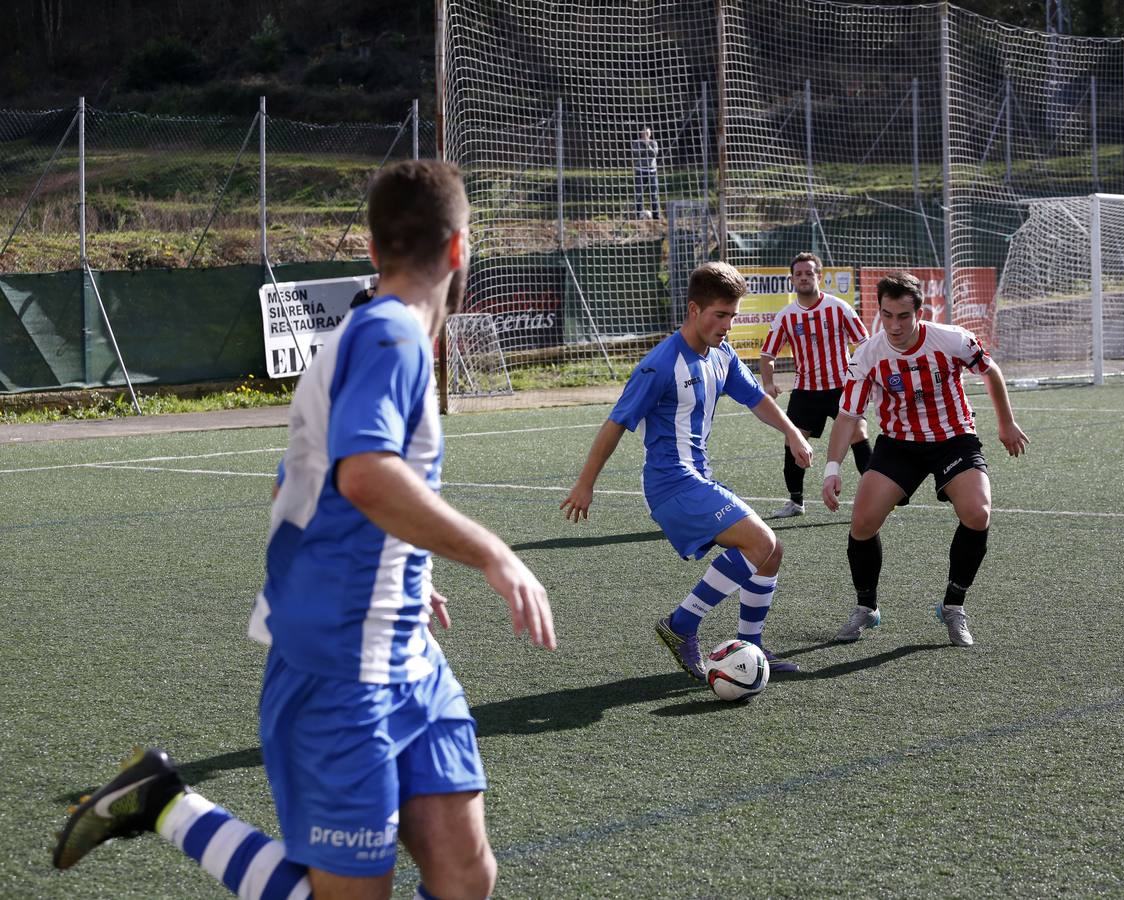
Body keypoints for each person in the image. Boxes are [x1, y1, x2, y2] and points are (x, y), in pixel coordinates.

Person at [53, 160, 557, 900]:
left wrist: (403, 560)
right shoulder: (393, 336)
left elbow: (298, 482)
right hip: (339, 667)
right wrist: (492, 551)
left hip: (403, 650)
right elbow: (364, 475)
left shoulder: (367, 331)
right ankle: (161, 802)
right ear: (459, 251)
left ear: (376, 248)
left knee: (464, 876)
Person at [561, 261, 812, 678]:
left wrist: (791, 432)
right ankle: (681, 625)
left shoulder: (722, 353)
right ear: (694, 310)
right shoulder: (660, 364)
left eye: (733, 316)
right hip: (670, 484)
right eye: (720, 315)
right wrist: (585, 484)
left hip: (697, 478)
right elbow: (615, 423)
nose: (728, 325)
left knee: (771, 553)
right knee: (761, 541)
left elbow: (754, 397)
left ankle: (751, 650)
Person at [822, 272, 1027, 647]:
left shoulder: (951, 340)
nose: (894, 325)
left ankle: (953, 605)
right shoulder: (868, 355)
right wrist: (832, 468)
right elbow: (848, 416)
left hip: (954, 439)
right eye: (887, 315)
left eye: (903, 316)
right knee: (862, 521)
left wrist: (1006, 423)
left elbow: (990, 370)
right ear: (879, 312)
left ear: (919, 311)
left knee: (977, 513)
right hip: (899, 443)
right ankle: (867, 607)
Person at [759, 251, 872, 518]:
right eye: (798, 274)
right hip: (806, 391)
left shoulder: (839, 307)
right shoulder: (786, 316)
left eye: (809, 273)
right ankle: (796, 502)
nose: (804, 277)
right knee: (793, 441)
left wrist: (865, 378)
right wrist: (767, 384)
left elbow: (866, 345)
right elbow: (767, 355)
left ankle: (875, 498)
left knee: (858, 434)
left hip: (841, 387)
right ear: (792, 280)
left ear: (818, 276)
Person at [632, 126, 660, 220]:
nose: (645, 135)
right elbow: (637, 154)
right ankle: (639, 214)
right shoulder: (636, 143)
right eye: (644, 133)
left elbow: (654, 154)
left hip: (652, 171)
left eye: (647, 134)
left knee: (654, 194)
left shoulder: (654, 143)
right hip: (640, 171)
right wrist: (644, 146)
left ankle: (656, 216)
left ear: (650, 134)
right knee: (639, 193)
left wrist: (648, 145)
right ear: (641, 134)